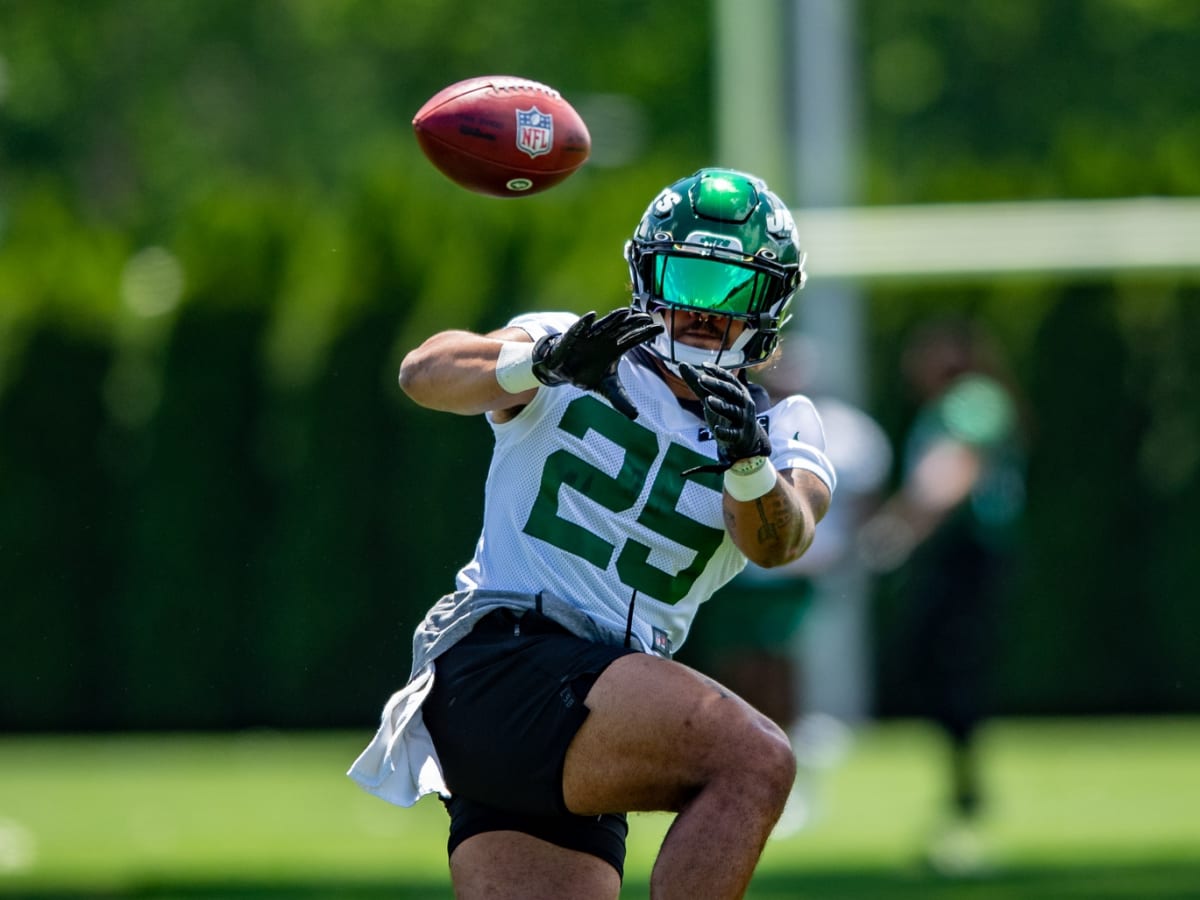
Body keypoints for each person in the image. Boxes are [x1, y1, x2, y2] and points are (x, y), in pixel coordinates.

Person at [348, 168, 837, 899]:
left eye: (732, 290)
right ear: (648, 274)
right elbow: (423, 373)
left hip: (597, 712)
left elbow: (780, 541)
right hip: (504, 657)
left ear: (768, 306)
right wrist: (538, 362)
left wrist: (747, 464)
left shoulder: (783, 425)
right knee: (755, 760)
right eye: (687, 279)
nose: (704, 312)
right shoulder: (567, 345)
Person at [858, 317, 1026, 874]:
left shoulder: (972, 398)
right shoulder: (958, 401)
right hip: (956, 561)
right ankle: (963, 796)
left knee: (952, 675)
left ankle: (966, 805)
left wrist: (900, 529)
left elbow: (951, 469)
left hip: (967, 561)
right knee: (934, 671)